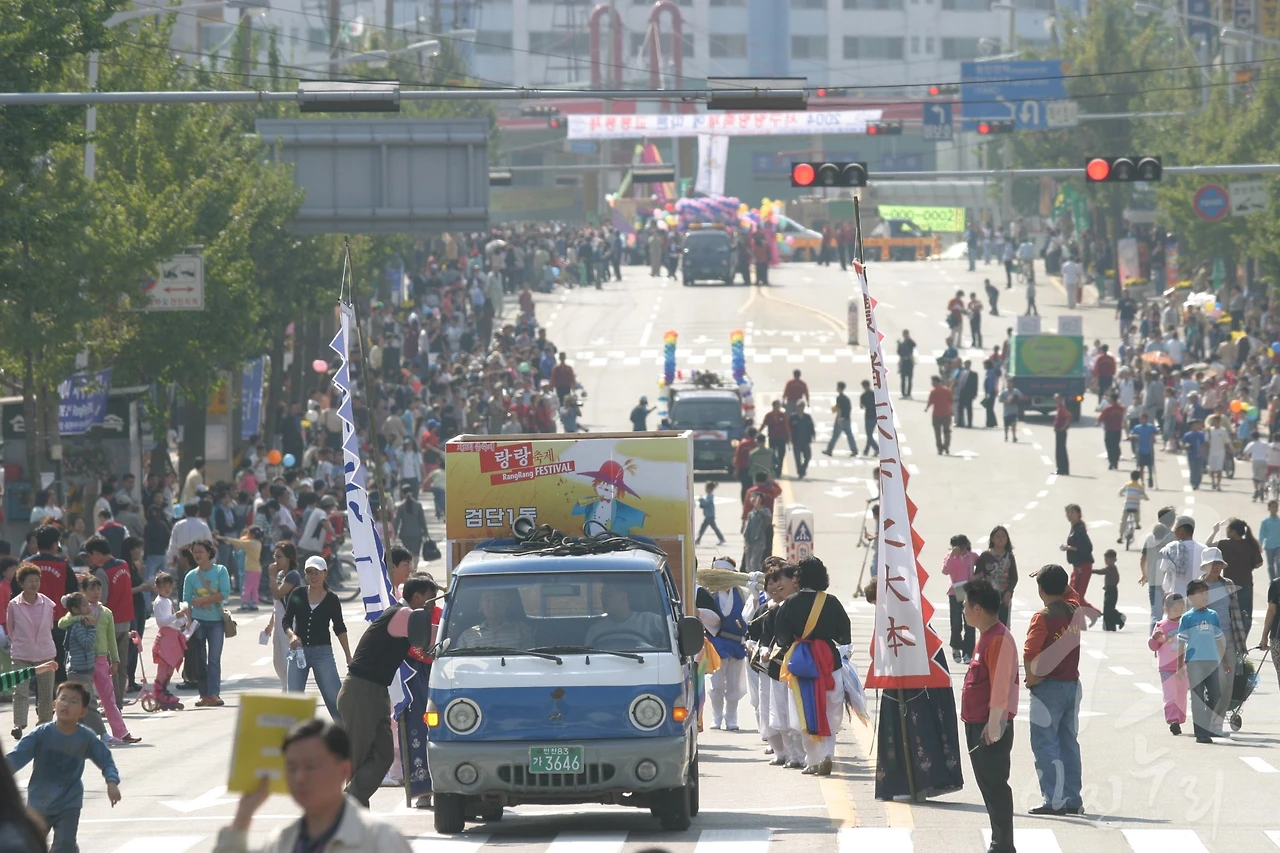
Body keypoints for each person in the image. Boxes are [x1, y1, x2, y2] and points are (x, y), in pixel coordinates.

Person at [215, 719, 412, 853]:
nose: (300, 777)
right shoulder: (282, 842)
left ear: (343, 770)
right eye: (291, 768)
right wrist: (243, 814)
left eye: (311, 767)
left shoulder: (381, 840)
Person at [337, 574, 436, 807]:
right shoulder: (403, 614)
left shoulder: (405, 616)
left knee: (384, 755)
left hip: (376, 691)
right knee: (359, 759)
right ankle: (349, 809)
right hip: (361, 691)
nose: (432, 606)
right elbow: (434, 636)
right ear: (417, 597)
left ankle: (350, 801)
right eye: (430, 600)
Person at [6, 681, 122, 853]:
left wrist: (112, 783)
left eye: (73, 701)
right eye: (63, 699)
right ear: (54, 704)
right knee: (29, 846)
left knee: (64, 846)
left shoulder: (86, 738)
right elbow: (15, 758)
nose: (66, 704)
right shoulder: (41, 734)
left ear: (83, 711)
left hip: (69, 802)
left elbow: (106, 761)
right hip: (39, 803)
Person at [772, 557, 851, 775]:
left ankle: (812, 760)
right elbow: (844, 634)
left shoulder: (790, 603)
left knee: (803, 710)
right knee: (830, 708)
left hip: (801, 663)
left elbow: (781, 637)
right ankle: (827, 753)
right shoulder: (831, 601)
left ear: (799, 577)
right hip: (829, 661)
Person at [960, 579, 1019, 853]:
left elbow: (1001, 686)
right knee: (989, 787)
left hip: (989, 726)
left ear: (978, 608)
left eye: (965, 605)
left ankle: (1003, 845)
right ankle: (1000, 842)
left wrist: (995, 724)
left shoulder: (998, 639)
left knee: (995, 787)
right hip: (978, 723)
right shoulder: (986, 636)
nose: (963, 610)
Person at [1023, 564, 1085, 816]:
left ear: (1040, 589)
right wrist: (1053, 576)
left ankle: (1053, 799)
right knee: (1068, 742)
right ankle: (1072, 798)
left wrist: (1031, 680)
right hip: (1071, 684)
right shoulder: (1075, 609)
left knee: (1045, 745)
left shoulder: (1042, 617)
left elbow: (1030, 653)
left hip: (1048, 687)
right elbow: (1072, 593)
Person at [283, 556, 351, 722]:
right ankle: (296, 734)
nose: (313, 576)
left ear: (325, 573)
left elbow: (339, 627)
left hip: (323, 653)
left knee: (334, 697)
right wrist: (292, 635)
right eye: (309, 572)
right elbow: (286, 620)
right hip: (299, 652)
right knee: (294, 699)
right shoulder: (297, 594)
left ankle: (345, 733)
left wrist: (348, 656)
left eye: (317, 572)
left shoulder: (332, 599)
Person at [1197, 546, 1247, 734]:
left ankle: (1216, 723)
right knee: (1217, 682)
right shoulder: (1198, 586)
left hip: (1229, 639)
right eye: (1212, 564)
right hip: (1208, 641)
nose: (1216, 567)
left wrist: (1241, 642)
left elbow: (1235, 613)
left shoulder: (1228, 584)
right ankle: (1207, 719)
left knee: (1228, 684)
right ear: (1204, 566)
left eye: (1218, 564)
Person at [8, 563, 56, 740]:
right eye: (30, 581)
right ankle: (18, 724)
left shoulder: (47, 604)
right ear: (21, 583)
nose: (34, 584)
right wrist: (23, 642)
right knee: (20, 690)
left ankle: (45, 724)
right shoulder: (14, 605)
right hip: (22, 653)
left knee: (46, 692)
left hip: (45, 653)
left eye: (37, 580)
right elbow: (11, 629)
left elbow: (50, 626)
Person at [697, 571, 750, 731]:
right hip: (717, 643)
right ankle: (717, 716)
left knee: (733, 685)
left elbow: (749, 616)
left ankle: (732, 717)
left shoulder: (742, 594)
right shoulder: (710, 594)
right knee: (717, 685)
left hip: (737, 644)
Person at [1178, 578, 1227, 744]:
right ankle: (1201, 733)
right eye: (1200, 593)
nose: (1204, 596)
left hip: (1211, 661)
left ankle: (1205, 723)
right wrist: (1179, 666)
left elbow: (1219, 640)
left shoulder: (1213, 615)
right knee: (1197, 696)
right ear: (1191, 597)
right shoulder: (1187, 617)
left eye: (1206, 593)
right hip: (1194, 663)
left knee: (1215, 694)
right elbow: (1181, 643)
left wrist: (1225, 661)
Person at [183, 539, 230, 708]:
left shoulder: (220, 571)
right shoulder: (191, 576)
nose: (197, 555)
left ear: (209, 552)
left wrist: (202, 600)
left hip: (216, 621)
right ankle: (203, 695)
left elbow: (224, 593)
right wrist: (188, 621)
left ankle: (214, 694)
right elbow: (186, 601)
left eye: (200, 551)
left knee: (214, 659)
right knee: (200, 660)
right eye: (194, 552)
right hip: (198, 622)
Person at [56, 593, 105, 738]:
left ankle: (77, 735)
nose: (88, 607)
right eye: (84, 605)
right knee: (90, 703)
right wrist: (92, 629)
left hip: (82, 669)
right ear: (75, 610)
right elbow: (87, 644)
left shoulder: (81, 623)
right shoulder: (78, 626)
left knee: (80, 704)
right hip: (79, 670)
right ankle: (102, 734)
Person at [1214, 517, 1263, 640]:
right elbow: (1259, 563)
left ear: (1234, 532)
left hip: (1228, 586)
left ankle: (1230, 641)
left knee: (1228, 615)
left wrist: (1215, 531)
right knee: (1245, 616)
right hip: (1246, 585)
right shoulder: (1250, 544)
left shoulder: (1225, 544)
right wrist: (1248, 567)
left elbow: (1207, 545)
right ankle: (1242, 642)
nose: (1226, 532)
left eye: (1228, 530)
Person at [1150, 592, 1189, 735]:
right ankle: (1173, 721)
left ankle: (1179, 717)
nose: (1179, 613)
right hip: (1166, 667)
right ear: (1166, 609)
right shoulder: (1162, 626)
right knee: (1170, 694)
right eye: (1175, 610)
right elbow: (1154, 646)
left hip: (1184, 666)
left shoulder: (1186, 624)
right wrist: (1154, 638)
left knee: (1181, 694)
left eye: (1181, 609)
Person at [265, 543, 303, 690]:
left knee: (288, 655)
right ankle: (285, 686)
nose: (276, 560)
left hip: (290, 622)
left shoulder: (292, 575)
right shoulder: (281, 574)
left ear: (289, 558)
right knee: (278, 658)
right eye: (275, 556)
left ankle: (290, 688)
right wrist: (271, 624)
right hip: (279, 619)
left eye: (279, 556)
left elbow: (277, 594)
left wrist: (271, 575)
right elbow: (277, 603)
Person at [584, 582, 667, 648]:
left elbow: (670, 638)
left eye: (608, 595)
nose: (603, 599)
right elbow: (587, 657)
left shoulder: (651, 620)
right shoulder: (596, 629)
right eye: (602, 595)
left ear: (623, 597)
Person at [149, 572, 188, 711]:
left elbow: (172, 622)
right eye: (164, 587)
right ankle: (159, 692)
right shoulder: (159, 602)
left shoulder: (168, 601)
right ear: (157, 587)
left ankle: (164, 691)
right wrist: (176, 616)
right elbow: (161, 622)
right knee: (164, 666)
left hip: (172, 636)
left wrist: (183, 618)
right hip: (166, 637)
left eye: (169, 587)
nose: (167, 589)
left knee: (170, 666)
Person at [973, 526, 1018, 628]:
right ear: (992, 539)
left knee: (1003, 626)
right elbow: (977, 576)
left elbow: (1014, 577)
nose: (1000, 539)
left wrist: (1009, 592)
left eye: (1003, 536)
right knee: (987, 625)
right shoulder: (985, 556)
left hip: (1004, 597)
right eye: (997, 536)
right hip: (988, 596)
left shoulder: (1009, 556)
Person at [1062, 504, 1100, 626]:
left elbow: (1087, 547)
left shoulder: (1079, 530)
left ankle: (1093, 614)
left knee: (1076, 596)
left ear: (1078, 514)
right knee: (1073, 596)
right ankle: (1081, 622)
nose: (1069, 515)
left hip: (1083, 566)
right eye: (1068, 513)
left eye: (1072, 512)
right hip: (1078, 566)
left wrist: (1069, 548)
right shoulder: (1075, 528)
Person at [943, 535, 977, 664]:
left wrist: (977, 577)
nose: (961, 550)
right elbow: (945, 571)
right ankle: (956, 647)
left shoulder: (972, 556)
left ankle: (968, 652)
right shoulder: (950, 557)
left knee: (970, 623)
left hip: (969, 592)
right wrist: (952, 556)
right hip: (955, 592)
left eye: (962, 546)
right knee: (956, 623)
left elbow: (982, 566)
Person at [393, 485, 427, 570]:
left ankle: (410, 569)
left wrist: (394, 534)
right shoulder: (418, 505)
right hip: (417, 533)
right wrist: (426, 533)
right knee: (416, 553)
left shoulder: (400, 507)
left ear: (402, 493)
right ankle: (414, 569)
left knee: (408, 554)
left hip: (405, 534)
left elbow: (397, 522)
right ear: (412, 492)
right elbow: (422, 521)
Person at [1092, 549, 1126, 631]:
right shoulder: (1111, 568)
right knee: (1108, 609)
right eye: (1105, 559)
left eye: (1107, 559)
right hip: (1109, 590)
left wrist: (1091, 571)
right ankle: (1110, 626)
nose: (1106, 561)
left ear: (1113, 560)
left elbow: (1102, 571)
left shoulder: (1111, 568)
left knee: (1108, 609)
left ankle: (1119, 617)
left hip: (1111, 591)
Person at [823, 381, 857, 457]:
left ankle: (829, 450)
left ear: (839, 388)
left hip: (841, 419)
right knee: (849, 435)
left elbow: (839, 409)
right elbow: (849, 408)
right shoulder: (846, 398)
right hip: (847, 419)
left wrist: (839, 419)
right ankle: (854, 449)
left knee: (835, 435)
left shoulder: (839, 398)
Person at [762, 400, 791, 477]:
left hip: (782, 438)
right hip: (772, 438)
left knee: (781, 454)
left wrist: (789, 436)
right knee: (772, 454)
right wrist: (758, 433)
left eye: (779, 406)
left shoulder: (783, 415)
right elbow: (764, 424)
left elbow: (787, 426)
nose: (779, 407)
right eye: (777, 405)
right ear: (774, 406)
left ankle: (779, 470)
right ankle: (773, 469)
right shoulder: (769, 415)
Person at [925, 376, 952, 455]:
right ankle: (946, 446)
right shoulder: (947, 390)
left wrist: (927, 408)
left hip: (937, 415)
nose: (932, 383)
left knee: (937, 432)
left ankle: (940, 448)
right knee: (947, 431)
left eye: (933, 382)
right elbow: (951, 401)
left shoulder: (934, 391)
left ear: (936, 382)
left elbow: (930, 401)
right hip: (946, 414)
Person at [1097, 394, 1126, 469]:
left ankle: (1111, 462)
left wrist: (1098, 422)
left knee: (1109, 445)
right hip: (1118, 429)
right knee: (1116, 445)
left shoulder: (1108, 408)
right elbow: (1123, 416)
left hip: (1109, 429)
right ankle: (1115, 462)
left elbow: (1102, 416)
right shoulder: (1121, 408)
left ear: (1112, 399)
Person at [1117, 471, 1148, 540]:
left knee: (1123, 520)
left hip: (1127, 506)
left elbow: (1120, 492)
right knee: (1137, 511)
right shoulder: (1140, 487)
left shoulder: (1127, 484)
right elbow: (1144, 496)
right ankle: (1137, 523)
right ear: (1139, 478)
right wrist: (1146, 498)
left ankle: (1121, 536)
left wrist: (1122, 495)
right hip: (1135, 506)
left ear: (1131, 477)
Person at [1131, 411, 1159, 487]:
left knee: (1150, 466)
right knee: (1141, 467)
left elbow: (1156, 432)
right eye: (1140, 418)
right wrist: (1135, 436)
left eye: (1143, 418)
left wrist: (1153, 435)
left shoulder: (1150, 427)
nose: (1142, 420)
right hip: (1140, 449)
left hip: (1149, 449)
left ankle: (1150, 478)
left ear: (1146, 419)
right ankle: (1142, 481)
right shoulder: (1137, 427)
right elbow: (1131, 435)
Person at [789, 402, 815, 478]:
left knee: (808, 456)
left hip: (806, 440)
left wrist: (813, 434)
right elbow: (789, 428)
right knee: (797, 458)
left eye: (802, 407)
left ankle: (803, 468)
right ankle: (800, 472)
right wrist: (789, 438)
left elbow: (811, 426)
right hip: (796, 440)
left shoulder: (807, 417)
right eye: (799, 406)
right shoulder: (793, 417)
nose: (801, 408)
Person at [695, 481, 726, 546]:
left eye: (706, 488)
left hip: (710, 516)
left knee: (712, 528)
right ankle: (698, 540)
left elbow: (706, 503)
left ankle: (721, 538)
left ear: (709, 489)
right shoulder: (708, 496)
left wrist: (701, 500)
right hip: (708, 515)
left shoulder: (710, 496)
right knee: (703, 527)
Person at [859, 379, 879, 456]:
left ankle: (876, 448)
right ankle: (866, 451)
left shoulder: (863, 396)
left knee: (869, 435)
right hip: (875, 416)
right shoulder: (874, 394)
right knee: (870, 434)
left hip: (868, 417)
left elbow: (861, 406)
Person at [1261, 500, 1280, 582]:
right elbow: (1262, 535)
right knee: (1270, 566)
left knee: (1278, 562)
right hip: (1269, 546)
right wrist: (1260, 545)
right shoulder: (1265, 522)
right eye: (1272, 507)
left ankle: (1278, 580)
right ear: (1269, 508)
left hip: (1278, 546)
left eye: (1276, 507)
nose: (1274, 509)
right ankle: (1273, 582)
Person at [1053, 393, 1071, 475]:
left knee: (1061, 451)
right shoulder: (1059, 408)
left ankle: (1062, 469)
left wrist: (1063, 427)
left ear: (1061, 399)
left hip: (1061, 432)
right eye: (1055, 399)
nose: (1056, 400)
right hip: (1059, 431)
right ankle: (1062, 469)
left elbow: (1068, 417)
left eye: (1057, 398)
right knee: (1060, 450)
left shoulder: (1062, 408)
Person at [897, 331, 916, 398]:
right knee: (903, 379)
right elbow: (898, 352)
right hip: (903, 361)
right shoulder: (902, 343)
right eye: (904, 334)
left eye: (906, 334)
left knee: (909, 378)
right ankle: (903, 393)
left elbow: (914, 345)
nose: (905, 336)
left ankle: (909, 393)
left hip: (909, 361)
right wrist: (898, 344)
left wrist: (909, 339)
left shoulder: (910, 342)